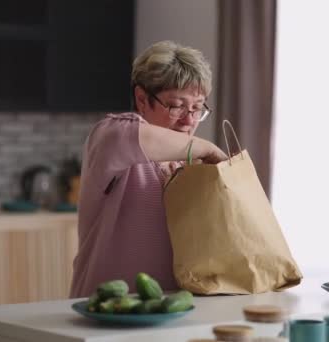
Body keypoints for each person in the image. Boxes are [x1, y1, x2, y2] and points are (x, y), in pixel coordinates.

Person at [69, 41, 228, 298]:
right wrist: (208, 148)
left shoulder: (193, 167)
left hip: (174, 314)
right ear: (142, 99)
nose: (189, 120)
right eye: (177, 105)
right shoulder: (110, 140)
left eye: (197, 107)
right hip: (105, 312)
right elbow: (121, 134)